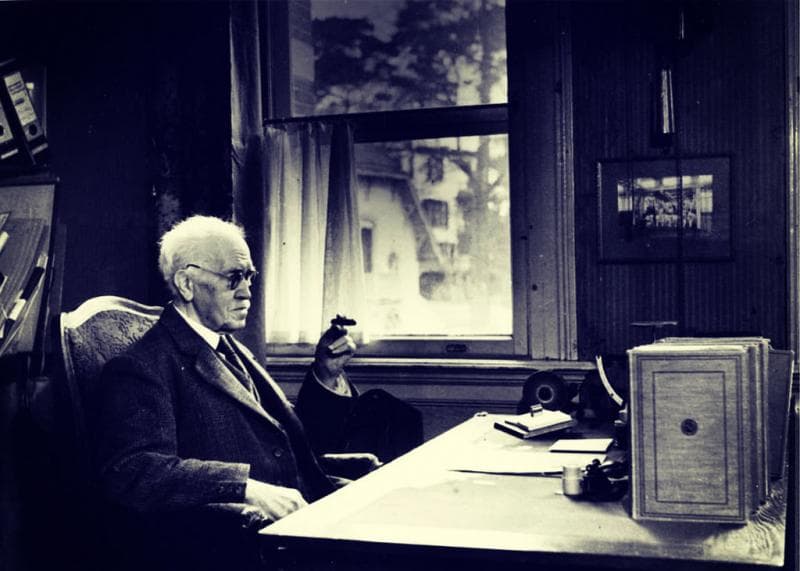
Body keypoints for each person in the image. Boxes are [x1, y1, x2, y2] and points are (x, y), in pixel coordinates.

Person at [93, 215, 364, 570]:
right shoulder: (142, 366)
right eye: (233, 277)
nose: (247, 292)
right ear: (186, 283)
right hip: (249, 547)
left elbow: (280, 441)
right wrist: (244, 486)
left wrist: (325, 374)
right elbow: (134, 470)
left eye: (249, 276)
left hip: (302, 521)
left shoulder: (231, 348)